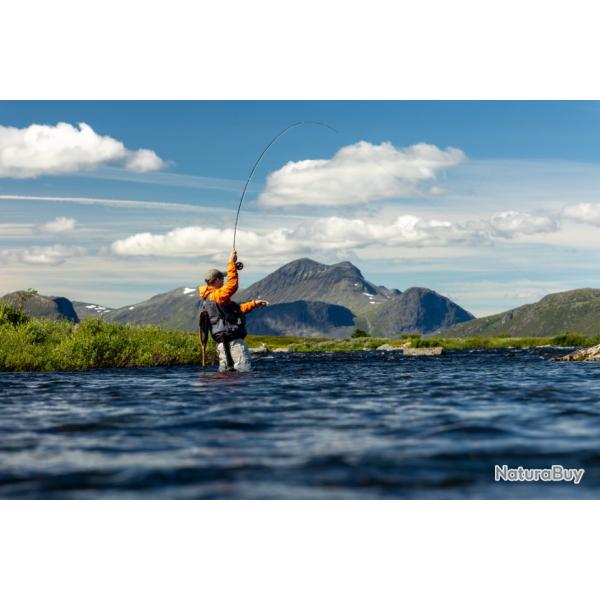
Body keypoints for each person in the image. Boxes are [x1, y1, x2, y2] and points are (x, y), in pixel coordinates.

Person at [198, 249, 268, 372]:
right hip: (234, 343)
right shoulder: (218, 296)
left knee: (224, 377)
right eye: (222, 279)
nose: (224, 281)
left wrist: (253, 304)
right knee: (243, 374)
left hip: (221, 345)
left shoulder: (208, 299)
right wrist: (231, 262)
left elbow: (234, 311)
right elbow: (232, 285)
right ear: (217, 281)